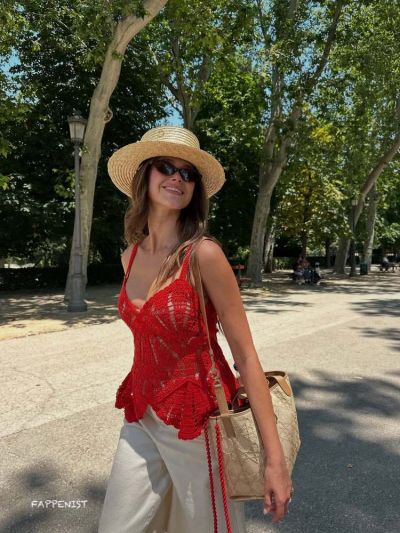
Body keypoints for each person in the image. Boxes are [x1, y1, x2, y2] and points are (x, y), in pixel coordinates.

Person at [98, 125, 293, 532]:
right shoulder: (129, 257)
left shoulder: (204, 255)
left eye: (187, 173)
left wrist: (274, 460)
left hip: (198, 422)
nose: (178, 178)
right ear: (144, 176)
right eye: (166, 167)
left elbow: (246, 356)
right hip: (141, 412)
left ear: (195, 189)